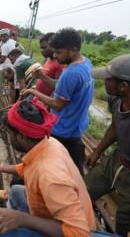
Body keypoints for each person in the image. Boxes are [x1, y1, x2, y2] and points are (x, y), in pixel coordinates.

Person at [0, 99, 96, 236]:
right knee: (16, 191)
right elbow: (27, 167)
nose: (9, 137)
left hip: (70, 229)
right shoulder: (48, 142)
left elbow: (79, 232)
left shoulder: (50, 177)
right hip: (54, 211)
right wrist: (0, 167)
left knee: (18, 211)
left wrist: (23, 219)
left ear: (21, 136)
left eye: (10, 133)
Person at [84, 54, 130, 236]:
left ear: (124, 85)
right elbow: (116, 126)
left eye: (108, 79)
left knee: (127, 225)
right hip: (116, 161)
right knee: (83, 192)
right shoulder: (117, 99)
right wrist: (97, 151)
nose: (105, 82)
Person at [20, 28, 94, 175]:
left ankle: (22, 182)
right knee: (73, 161)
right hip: (76, 124)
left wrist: (33, 91)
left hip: (61, 127)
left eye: (59, 52)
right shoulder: (85, 62)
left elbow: (58, 104)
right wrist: (42, 76)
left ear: (72, 50)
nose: (55, 56)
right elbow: (60, 87)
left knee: (38, 159)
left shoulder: (71, 73)